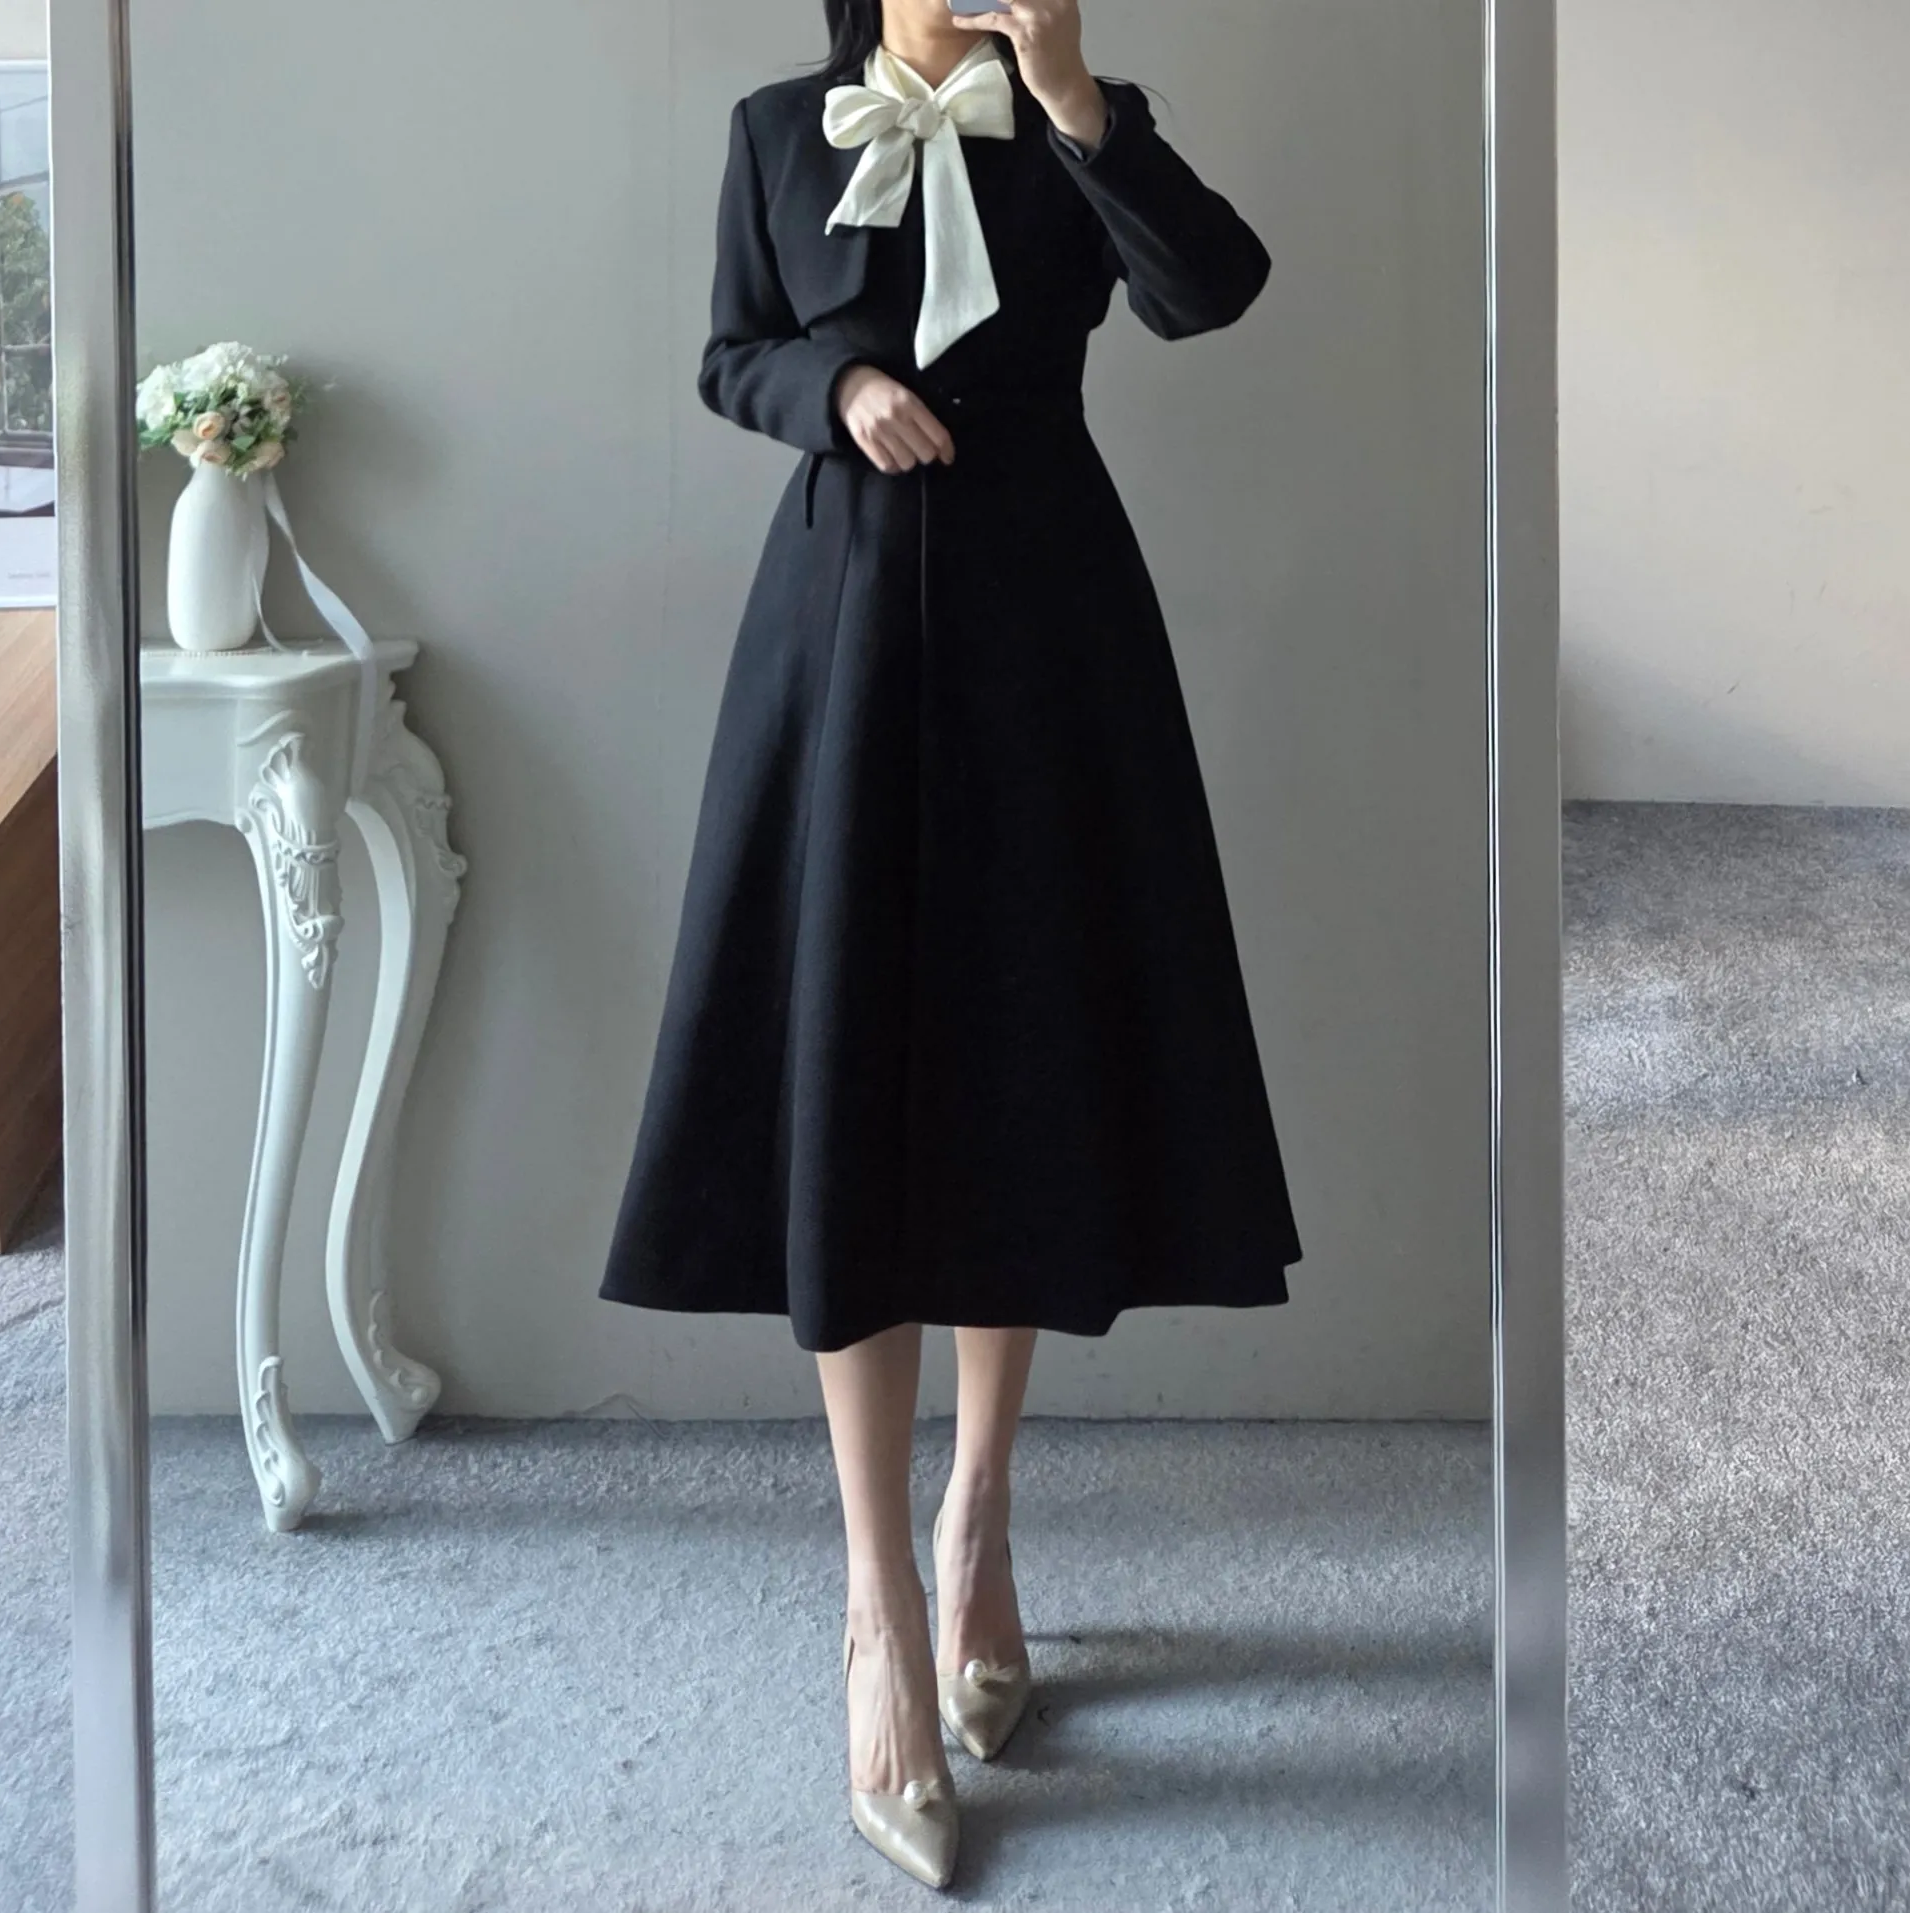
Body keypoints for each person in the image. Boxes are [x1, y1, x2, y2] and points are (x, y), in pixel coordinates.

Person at [598, 0, 1304, 1887]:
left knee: (1021, 1064)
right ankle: (876, 1608)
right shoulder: (778, 125)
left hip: (1048, 627)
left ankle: (978, 1523)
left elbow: (1212, 290)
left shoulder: (1085, 115)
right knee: (846, 1074)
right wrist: (830, 389)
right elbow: (730, 351)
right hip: (837, 626)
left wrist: (1072, 103)